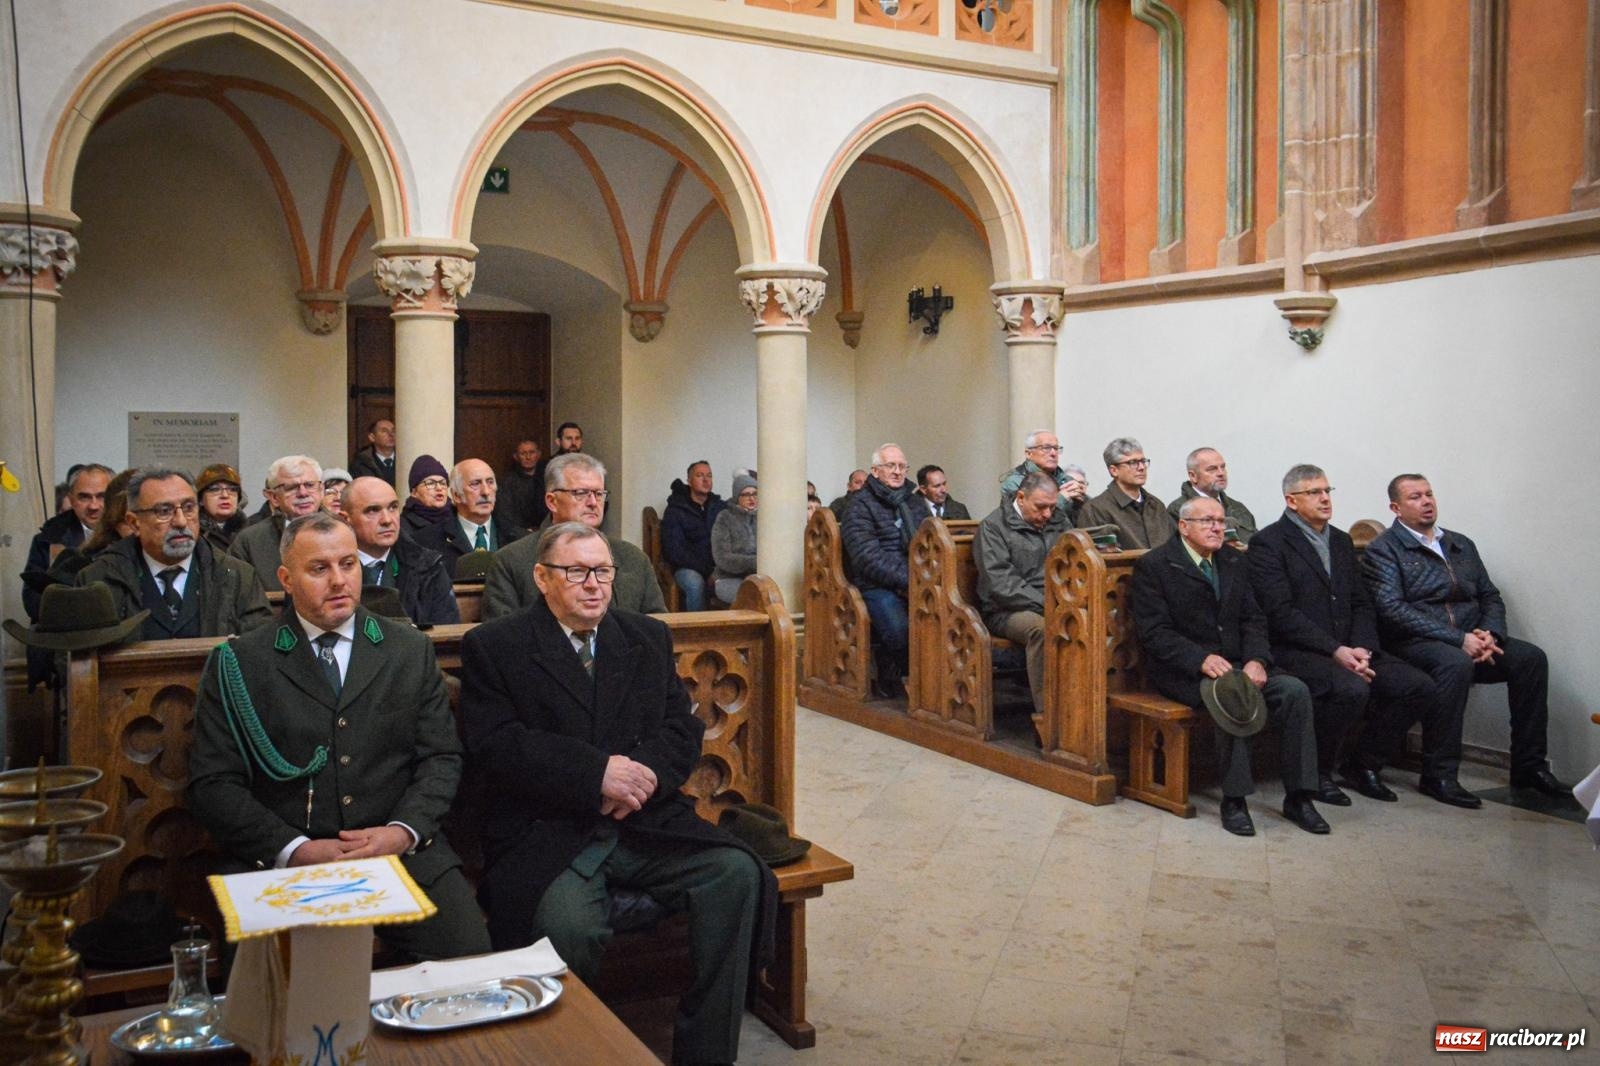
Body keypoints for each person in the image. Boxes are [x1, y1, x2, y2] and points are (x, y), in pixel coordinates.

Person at [460, 522, 773, 1063]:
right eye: (577, 572)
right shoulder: (497, 646)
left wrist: (636, 776)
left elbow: (681, 729)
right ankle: (567, 1053)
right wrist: (594, 774)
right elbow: (497, 746)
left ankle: (705, 1051)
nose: (594, 584)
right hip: (554, 831)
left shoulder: (644, 637)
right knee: (566, 927)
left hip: (647, 822)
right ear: (541, 577)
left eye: (603, 571)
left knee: (737, 874)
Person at [188, 512, 489, 961]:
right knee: (275, 993)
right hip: (284, 864)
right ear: (286, 579)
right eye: (319, 569)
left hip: (402, 855)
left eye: (348, 564)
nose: (338, 581)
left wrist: (400, 833)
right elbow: (213, 786)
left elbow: (440, 759)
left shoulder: (406, 649)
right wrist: (297, 849)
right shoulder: (243, 661)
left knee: (469, 960)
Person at [1363, 475, 1572, 805]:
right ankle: (1439, 774)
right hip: (1414, 642)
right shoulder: (1383, 550)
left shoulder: (1460, 544)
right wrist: (1458, 639)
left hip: (1471, 637)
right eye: (1415, 497)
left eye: (1429, 494)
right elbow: (1392, 610)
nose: (1427, 501)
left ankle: (1529, 767)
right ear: (1396, 508)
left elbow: (1489, 595)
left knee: (1530, 659)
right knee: (1455, 664)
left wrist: (1491, 634)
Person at [1132, 495, 1326, 836]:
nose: (1217, 527)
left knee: (1295, 691)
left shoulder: (1234, 560)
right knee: (1235, 695)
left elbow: (1254, 618)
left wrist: (1257, 660)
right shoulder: (1157, 565)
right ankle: (1234, 799)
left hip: (1239, 662)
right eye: (1207, 521)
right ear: (1184, 526)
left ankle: (1300, 796)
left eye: (1221, 521)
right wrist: (1200, 659)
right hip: (1184, 669)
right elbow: (1155, 632)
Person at [1247, 464, 1435, 805]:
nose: (1324, 498)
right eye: (1314, 492)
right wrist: (1336, 650)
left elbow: (1362, 602)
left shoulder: (1341, 540)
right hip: (1297, 650)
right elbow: (1280, 612)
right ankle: (1317, 772)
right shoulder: (1269, 543)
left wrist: (1362, 648)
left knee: (1416, 686)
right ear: (1291, 500)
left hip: (1349, 647)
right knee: (1349, 689)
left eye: (1327, 491)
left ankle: (1363, 764)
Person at [76, 467, 271, 643]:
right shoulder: (98, 580)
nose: (180, 522)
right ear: (134, 523)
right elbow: (74, 662)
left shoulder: (238, 576)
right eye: (164, 511)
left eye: (188, 508)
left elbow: (260, 649)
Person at [482, 454, 665, 619]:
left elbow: (658, 629)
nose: (593, 503)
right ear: (552, 501)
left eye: (599, 494)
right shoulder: (511, 561)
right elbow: (502, 641)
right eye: (581, 493)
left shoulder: (633, 559)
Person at [975, 472, 1072, 720]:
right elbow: (1001, 583)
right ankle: (1049, 715)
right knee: (1042, 629)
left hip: (1056, 602)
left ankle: (1085, 705)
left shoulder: (1059, 522)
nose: (1047, 515)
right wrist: (1048, 605)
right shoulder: (994, 527)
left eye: (1052, 506)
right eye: (1041, 507)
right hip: (1006, 610)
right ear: (1021, 497)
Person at [841, 444, 919, 697]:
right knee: (899, 628)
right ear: (875, 471)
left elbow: (931, 542)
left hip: (917, 579)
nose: (897, 472)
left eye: (902, 467)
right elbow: (867, 557)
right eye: (890, 466)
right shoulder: (859, 505)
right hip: (876, 584)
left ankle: (933, 679)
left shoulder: (914, 502)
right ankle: (898, 674)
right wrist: (908, 580)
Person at [344, 477, 458, 626]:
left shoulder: (428, 566)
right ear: (346, 519)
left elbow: (446, 630)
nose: (387, 520)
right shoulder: (330, 569)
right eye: (373, 510)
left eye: (392, 508)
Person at [22, 463, 113, 620]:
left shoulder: (129, 535)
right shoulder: (48, 538)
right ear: (71, 499)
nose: (93, 505)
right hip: (61, 632)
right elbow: (33, 598)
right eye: (84, 497)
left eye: (101, 496)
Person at [228, 456, 326, 593]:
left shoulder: (345, 532)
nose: (303, 493)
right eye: (291, 488)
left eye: (310, 485)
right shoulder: (249, 541)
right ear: (274, 497)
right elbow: (235, 597)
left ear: (321, 490)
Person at [417, 459, 525, 574]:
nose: (486, 492)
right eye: (475, 484)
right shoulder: (427, 543)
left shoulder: (520, 540)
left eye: (490, 482)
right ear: (456, 495)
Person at [1078, 437, 1176, 550]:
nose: (1141, 467)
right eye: (1132, 462)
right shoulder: (1095, 510)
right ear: (1114, 470)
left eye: (1143, 461)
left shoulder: (1156, 505)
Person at [661, 461, 727, 611]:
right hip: (688, 568)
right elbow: (675, 551)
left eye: (709, 475)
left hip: (718, 567)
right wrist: (707, 571)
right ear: (689, 481)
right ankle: (698, 631)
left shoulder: (721, 508)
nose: (706, 480)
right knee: (694, 584)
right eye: (700, 475)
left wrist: (718, 570)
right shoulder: (676, 510)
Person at [1167, 447, 1258, 547]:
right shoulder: (1179, 509)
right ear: (1193, 476)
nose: (1221, 473)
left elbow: (1256, 545)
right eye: (1212, 469)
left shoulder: (1238, 508)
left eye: (1223, 467)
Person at [998, 430, 1086, 523]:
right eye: (1046, 448)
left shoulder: (1066, 479)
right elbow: (1017, 521)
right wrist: (1060, 500)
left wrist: (1081, 503)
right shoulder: (1014, 482)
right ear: (1029, 453)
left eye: (1056, 448)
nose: (1053, 453)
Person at [710, 474, 758, 603]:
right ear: (737, 497)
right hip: (728, 578)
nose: (751, 498)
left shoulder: (764, 516)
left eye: (755, 493)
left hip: (758, 577)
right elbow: (722, 557)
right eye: (746, 494)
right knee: (751, 598)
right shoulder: (724, 518)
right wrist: (754, 562)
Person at [496, 439, 549, 531]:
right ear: (516, 457)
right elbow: (505, 514)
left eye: (532, 452)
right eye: (523, 453)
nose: (528, 457)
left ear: (538, 454)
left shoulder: (547, 479)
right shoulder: (507, 482)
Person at [196, 464, 248, 555]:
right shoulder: (193, 532)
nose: (225, 495)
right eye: (215, 489)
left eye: (232, 489)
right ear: (200, 500)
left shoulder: (250, 531)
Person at [401, 455, 455, 537]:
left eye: (443, 483)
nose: (439, 488)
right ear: (414, 492)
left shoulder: (458, 517)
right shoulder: (403, 526)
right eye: (430, 483)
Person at [348, 417, 397, 485]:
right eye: (384, 431)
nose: (391, 435)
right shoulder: (361, 464)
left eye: (393, 431)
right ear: (372, 437)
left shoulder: (405, 459)